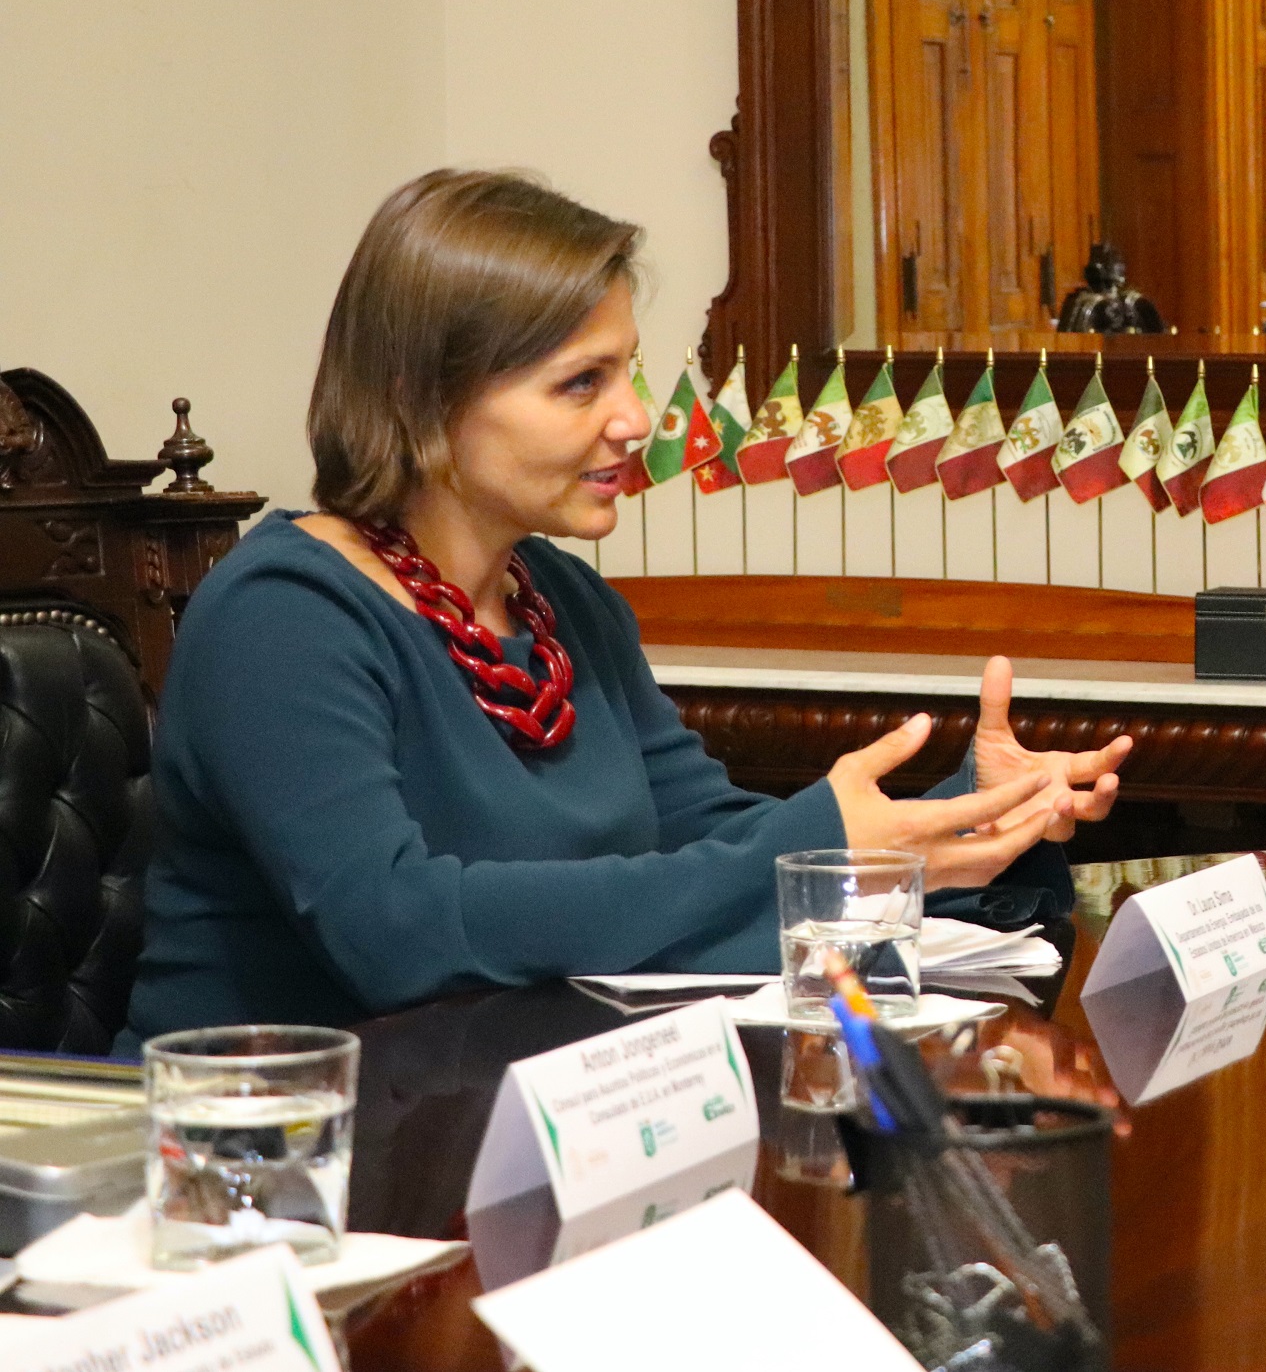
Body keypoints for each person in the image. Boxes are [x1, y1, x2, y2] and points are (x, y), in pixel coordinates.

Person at [125, 169, 1130, 1038]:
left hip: (524, 1108)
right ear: (420, 399)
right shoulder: (283, 616)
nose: (635, 418)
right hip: (265, 1150)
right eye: (581, 384)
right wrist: (826, 854)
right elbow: (398, 930)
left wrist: (965, 815)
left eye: (628, 371)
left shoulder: (561, 598)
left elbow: (705, 839)